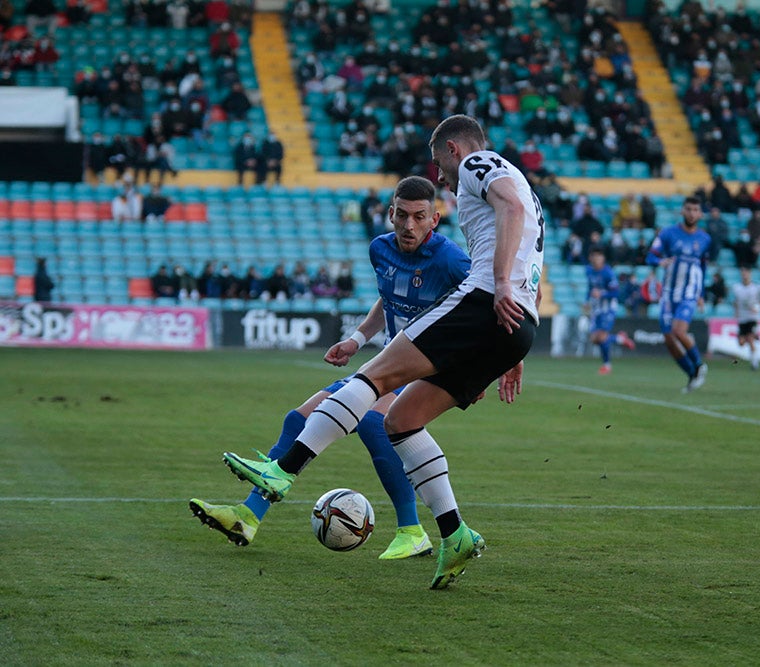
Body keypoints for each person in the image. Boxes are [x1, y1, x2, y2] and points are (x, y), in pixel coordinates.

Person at [218, 115, 544, 589]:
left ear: (453, 149)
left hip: (483, 303)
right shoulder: (528, 188)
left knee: (370, 380)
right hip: (517, 324)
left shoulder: (478, 162)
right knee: (401, 420)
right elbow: (530, 254)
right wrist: (513, 349)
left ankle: (282, 473)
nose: (442, 178)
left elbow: (510, 211)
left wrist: (496, 287)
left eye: (439, 165)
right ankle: (453, 535)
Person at [191, 176, 472, 559]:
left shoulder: (451, 260)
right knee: (299, 419)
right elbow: (388, 300)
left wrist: (489, 363)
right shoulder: (381, 250)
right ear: (390, 213)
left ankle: (412, 530)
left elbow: (485, 306)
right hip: (390, 360)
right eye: (402, 215)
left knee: (375, 423)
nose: (409, 225)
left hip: (428, 367)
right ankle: (247, 516)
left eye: (419, 217)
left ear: (435, 219)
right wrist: (356, 339)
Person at [646, 196, 711, 393]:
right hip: (668, 293)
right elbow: (650, 256)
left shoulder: (705, 239)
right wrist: (660, 262)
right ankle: (692, 374)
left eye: (695, 210)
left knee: (679, 331)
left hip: (689, 292)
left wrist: (700, 293)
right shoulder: (668, 234)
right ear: (682, 211)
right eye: (688, 209)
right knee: (669, 340)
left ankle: (700, 366)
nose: (692, 213)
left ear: (700, 214)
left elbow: (703, 266)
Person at [584, 247, 636, 375]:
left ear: (603, 259)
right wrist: (586, 300)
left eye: (599, 256)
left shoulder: (608, 273)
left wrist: (601, 294)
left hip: (608, 309)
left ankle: (607, 365)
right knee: (594, 339)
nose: (596, 259)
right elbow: (590, 287)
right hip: (597, 309)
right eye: (594, 256)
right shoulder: (590, 271)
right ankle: (620, 338)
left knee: (601, 337)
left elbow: (616, 292)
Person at [731, 267, 760, 370]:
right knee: (741, 343)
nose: (744, 275)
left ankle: (754, 363)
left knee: (750, 339)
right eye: (742, 273)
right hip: (742, 318)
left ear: (750, 274)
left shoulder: (757, 287)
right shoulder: (737, 288)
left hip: (753, 318)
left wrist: (758, 307)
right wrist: (736, 312)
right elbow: (735, 302)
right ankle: (753, 343)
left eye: (746, 272)